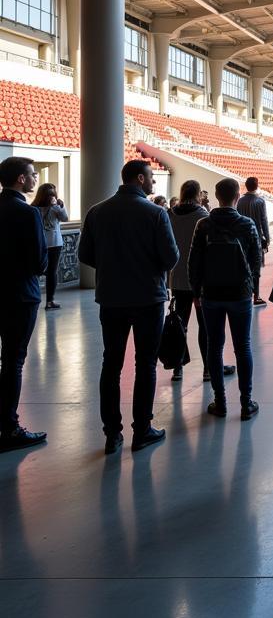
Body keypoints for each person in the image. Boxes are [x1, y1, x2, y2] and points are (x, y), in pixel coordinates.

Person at [79, 159, 179, 454]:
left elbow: (86, 254)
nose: (154, 184)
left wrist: (112, 267)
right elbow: (171, 258)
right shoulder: (156, 214)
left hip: (111, 298)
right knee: (145, 364)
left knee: (111, 364)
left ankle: (112, 433)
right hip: (148, 298)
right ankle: (142, 429)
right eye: (151, 178)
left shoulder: (97, 212)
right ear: (139, 178)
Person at [188, 177, 261, 421]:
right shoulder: (247, 224)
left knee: (214, 347)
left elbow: (194, 262)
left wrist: (196, 291)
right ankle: (246, 403)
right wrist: (250, 286)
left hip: (211, 294)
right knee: (243, 347)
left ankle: (220, 403)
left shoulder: (203, 225)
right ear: (237, 196)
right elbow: (255, 260)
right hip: (239, 294)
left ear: (217, 197)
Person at [0, 157, 48, 452]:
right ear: (20, 178)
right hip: (20, 295)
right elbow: (40, 263)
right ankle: (9, 426)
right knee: (13, 361)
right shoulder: (27, 213)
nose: (34, 180)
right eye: (31, 175)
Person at [169, 180, 223, 383]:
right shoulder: (203, 216)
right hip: (200, 278)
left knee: (179, 323)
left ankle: (177, 367)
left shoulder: (170, 214)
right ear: (198, 194)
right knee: (205, 325)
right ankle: (208, 368)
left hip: (178, 276)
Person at [31, 182, 68, 311]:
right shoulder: (36, 209)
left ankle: (46, 300)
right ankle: (49, 301)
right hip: (51, 243)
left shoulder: (35, 208)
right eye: (50, 194)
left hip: (45, 243)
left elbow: (65, 218)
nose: (51, 197)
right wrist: (59, 206)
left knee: (47, 272)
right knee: (49, 272)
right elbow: (65, 218)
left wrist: (60, 206)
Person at [237, 176, 271, 306]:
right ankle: (256, 296)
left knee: (243, 265)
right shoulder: (260, 201)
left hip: (242, 237)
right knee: (256, 267)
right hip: (255, 238)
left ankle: (243, 292)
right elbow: (264, 220)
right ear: (256, 186)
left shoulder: (240, 201)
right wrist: (267, 238)